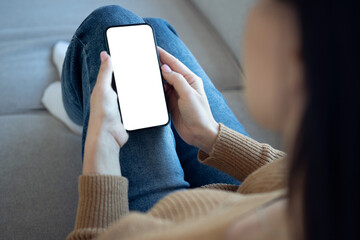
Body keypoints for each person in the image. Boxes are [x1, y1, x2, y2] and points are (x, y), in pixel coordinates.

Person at [61, 0, 360, 239]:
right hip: (245, 194)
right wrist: (212, 136)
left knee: (110, 23)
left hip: (163, 220)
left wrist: (102, 154)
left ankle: (84, 109)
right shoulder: (336, 177)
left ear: (297, 58)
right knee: (155, 33)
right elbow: (288, 181)